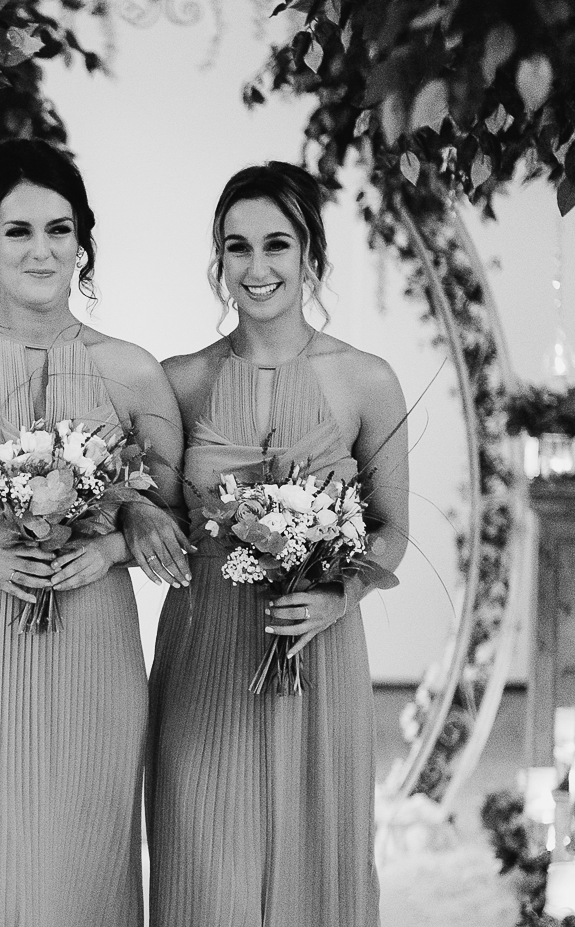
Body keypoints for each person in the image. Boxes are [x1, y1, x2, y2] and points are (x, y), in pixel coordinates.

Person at [0, 139, 191, 926]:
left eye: (59, 228)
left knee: (77, 862)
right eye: (18, 231)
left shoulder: (134, 370)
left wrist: (115, 543)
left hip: (92, 637)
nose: (40, 249)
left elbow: (176, 515)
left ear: (82, 241)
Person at [148, 163, 410, 927]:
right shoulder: (181, 379)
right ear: (218, 262)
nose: (256, 268)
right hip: (205, 653)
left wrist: (340, 596)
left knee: (316, 865)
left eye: (276, 245)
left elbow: (392, 530)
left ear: (310, 256)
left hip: (319, 655)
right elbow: (155, 518)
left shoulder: (367, 380)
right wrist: (135, 517)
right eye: (237, 248)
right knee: (203, 864)